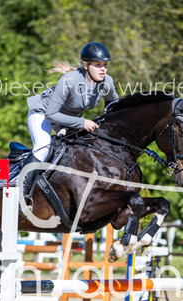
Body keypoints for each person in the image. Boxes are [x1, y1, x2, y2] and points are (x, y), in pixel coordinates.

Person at [22, 42, 119, 195]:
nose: (103, 69)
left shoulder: (107, 82)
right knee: (43, 148)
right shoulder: (69, 80)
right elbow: (51, 114)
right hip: (42, 113)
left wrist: (109, 121)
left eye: (105, 65)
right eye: (98, 65)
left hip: (67, 118)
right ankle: (21, 191)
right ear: (86, 66)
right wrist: (82, 122)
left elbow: (113, 102)